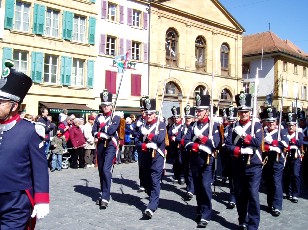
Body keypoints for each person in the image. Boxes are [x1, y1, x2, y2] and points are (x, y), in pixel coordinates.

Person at [0, 60, 49, 228]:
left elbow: (40, 168)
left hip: (16, 202)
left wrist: (42, 199)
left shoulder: (30, 131)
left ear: (14, 105)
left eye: (1, 101)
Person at [225, 91, 263, 230]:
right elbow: (228, 146)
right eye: (241, 112)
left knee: (253, 195)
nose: (243, 114)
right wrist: (240, 150)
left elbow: (258, 142)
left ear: (250, 112)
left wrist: (246, 136)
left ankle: (253, 225)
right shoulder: (232, 126)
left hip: (254, 165)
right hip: (238, 165)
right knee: (240, 195)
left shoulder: (256, 125)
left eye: (246, 112)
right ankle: (243, 220)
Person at [184, 94, 220, 228]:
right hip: (194, 160)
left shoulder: (213, 125)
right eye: (197, 110)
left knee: (205, 187)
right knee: (198, 188)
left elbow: (216, 143)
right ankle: (200, 209)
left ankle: (206, 214)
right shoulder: (193, 125)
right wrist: (197, 146)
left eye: (200, 110)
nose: (197, 112)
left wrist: (204, 139)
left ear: (207, 111)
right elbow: (186, 141)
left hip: (206, 161)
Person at [136, 97, 166, 219]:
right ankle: (153, 198)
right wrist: (144, 144)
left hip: (157, 156)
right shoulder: (142, 125)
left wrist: (148, 135)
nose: (148, 116)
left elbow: (160, 139)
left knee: (154, 179)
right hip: (145, 155)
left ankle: (151, 206)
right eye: (146, 113)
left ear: (155, 114)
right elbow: (137, 141)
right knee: (147, 180)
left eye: (150, 114)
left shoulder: (161, 124)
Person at [92, 89, 121, 209]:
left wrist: (102, 131)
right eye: (104, 105)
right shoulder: (98, 117)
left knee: (105, 170)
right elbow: (93, 131)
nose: (106, 107)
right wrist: (99, 134)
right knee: (100, 171)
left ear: (111, 105)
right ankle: (103, 191)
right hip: (100, 144)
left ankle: (105, 196)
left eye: (108, 105)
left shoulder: (116, 117)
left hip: (111, 145)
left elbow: (111, 131)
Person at [261, 107, 288, 217]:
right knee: (268, 182)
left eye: (272, 121)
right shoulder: (263, 131)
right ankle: (270, 203)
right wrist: (269, 147)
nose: (271, 124)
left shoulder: (282, 131)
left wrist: (273, 142)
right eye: (268, 122)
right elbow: (260, 145)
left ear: (276, 121)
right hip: (267, 160)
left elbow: (285, 144)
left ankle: (277, 206)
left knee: (276, 182)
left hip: (278, 160)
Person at [283, 112, 303, 203]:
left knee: (295, 175)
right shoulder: (284, 132)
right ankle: (288, 192)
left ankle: (295, 194)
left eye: (292, 125)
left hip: (296, 156)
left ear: (295, 125)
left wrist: (292, 140)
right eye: (289, 125)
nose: (291, 127)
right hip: (287, 156)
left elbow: (300, 143)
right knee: (287, 174)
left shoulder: (299, 133)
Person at [220, 105, 238, 209]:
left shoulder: (238, 129)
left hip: (237, 156)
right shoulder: (226, 128)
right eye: (229, 120)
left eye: (233, 120)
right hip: (228, 156)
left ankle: (237, 197)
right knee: (231, 179)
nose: (231, 122)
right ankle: (232, 197)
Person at [177, 104, 195, 200]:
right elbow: (177, 138)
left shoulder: (194, 127)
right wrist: (184, 141)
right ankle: (189, 186)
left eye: (189, 118)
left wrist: (185, 141)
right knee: (185, 169)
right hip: (183, 151)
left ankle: (191, 189)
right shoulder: (182, 127)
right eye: (186, 118)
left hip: (192, 151)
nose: (188, 120)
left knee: (191, 170)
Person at [168, 106, 184, 184]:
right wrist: (172, 135)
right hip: (174, 146)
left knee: (180, 161)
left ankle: (181, 176)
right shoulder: (172, 126)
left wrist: (176, 136)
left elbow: (183, 136)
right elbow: (169, 133)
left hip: (181, 147)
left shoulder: (183, 126)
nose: (176, 119)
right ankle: (176, 176)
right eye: (175, 118)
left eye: (177, 118)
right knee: (174, 162)